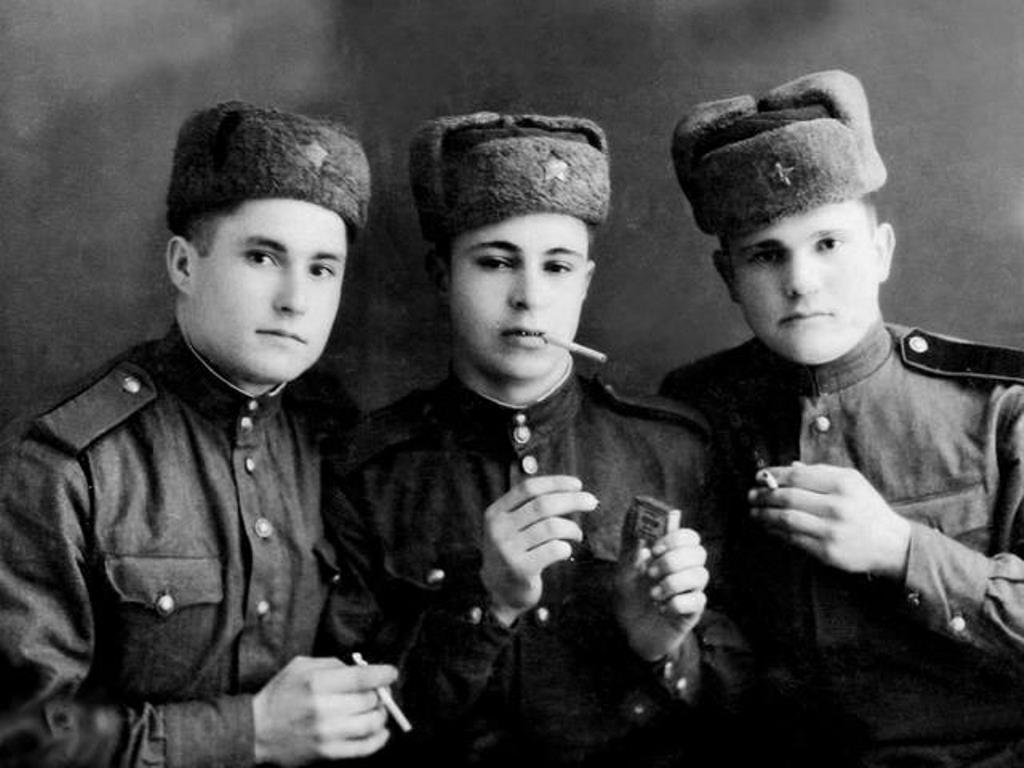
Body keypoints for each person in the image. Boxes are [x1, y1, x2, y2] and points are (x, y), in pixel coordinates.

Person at [322, 111, 747, 768]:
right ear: (442, 274)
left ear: (586, 282)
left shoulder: (674, 451)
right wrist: (486, 604)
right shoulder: (371, 472)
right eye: (496, 262)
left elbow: (753, 713)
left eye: (557, 267)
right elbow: (357, 729)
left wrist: (666, 648)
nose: (529, 298)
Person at [0, 101, 398, 768]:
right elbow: (21, 735)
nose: (295, 299)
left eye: (322, 268)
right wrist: (250, 731)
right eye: (263, 257)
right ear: (184, 265)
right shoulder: (67, 465)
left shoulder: (333, 437)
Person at [661, 68, 1024, 766]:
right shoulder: (699, 412)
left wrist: (901, 549)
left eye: (828, 243)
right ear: (729, 277)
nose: (801, 281)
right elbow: (711, 654)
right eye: (766, 254)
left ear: (881, 252)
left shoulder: (999, 407)